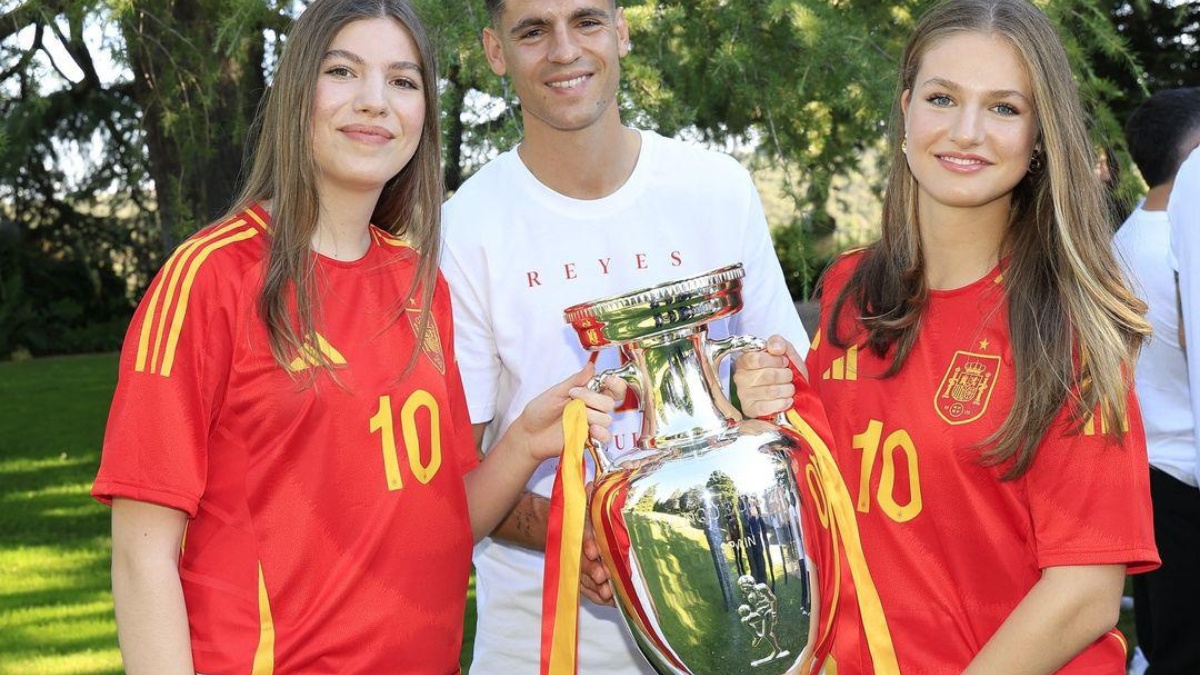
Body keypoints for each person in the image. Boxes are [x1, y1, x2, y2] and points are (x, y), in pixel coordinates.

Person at [90, 1, 620, 672]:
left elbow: (441, 520)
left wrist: (523, 441)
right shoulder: (211, 278)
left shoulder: (419, 283)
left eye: (402, 81)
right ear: (296, 93)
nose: (375, 101)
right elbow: (143, 555)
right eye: (343, 71)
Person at [733, 1, 1159, 673]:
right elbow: (826, 499)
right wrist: (762, 408)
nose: (967, 132)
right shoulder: (851, 287)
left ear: (1039, 135)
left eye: (1004, 108)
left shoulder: (1067, 325)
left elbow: (1084, 595)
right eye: (942, 97)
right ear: (906, 109)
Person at [438, 0, 808, 672]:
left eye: (585, 21)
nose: (563, 50)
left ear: (621, 31)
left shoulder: (717, 188)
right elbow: (450, 487)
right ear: (496, 52)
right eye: (532, 30)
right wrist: (575, 530)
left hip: (739, 623)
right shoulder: (463, 230)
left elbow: (803, 402)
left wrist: (763, 391)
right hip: (545, 645)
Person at [1113, 87, 1200, 675]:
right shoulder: (1176, 244)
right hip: (1185, 473)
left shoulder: (1123, 238)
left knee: (1165, 636)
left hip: (1148, 466)